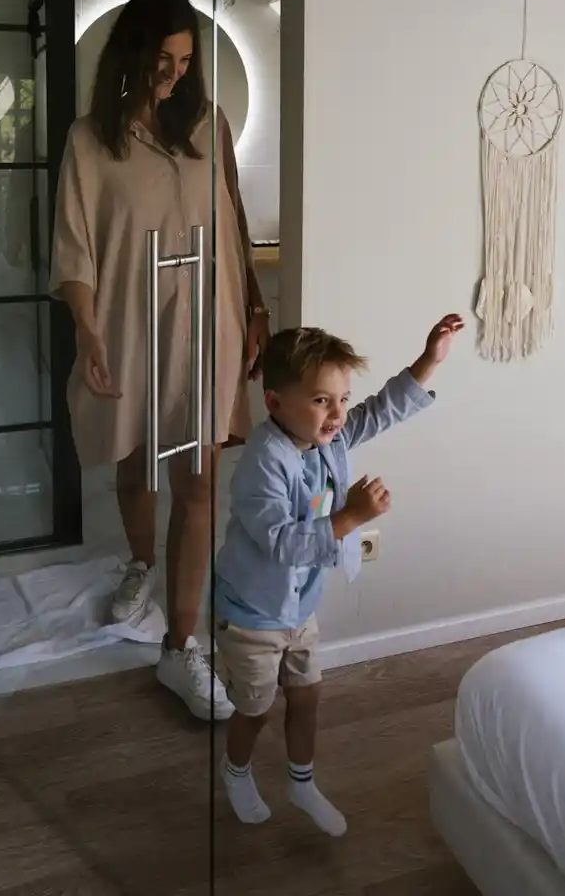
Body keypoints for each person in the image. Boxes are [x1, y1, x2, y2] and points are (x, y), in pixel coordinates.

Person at [49, 0, 272, 720]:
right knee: (136, 458)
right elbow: (76, 247)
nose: (173, 75)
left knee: (198, 481)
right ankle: (141, 563)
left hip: (207, 322)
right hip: (129, 324)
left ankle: (181, 646)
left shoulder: (211, 125)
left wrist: (255, 311)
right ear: (131, 54)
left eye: (184, 61)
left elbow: (234, 223)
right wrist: (87, 330)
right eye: (161, 60)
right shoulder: (91, 140)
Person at [210, 313, 466, 834]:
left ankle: (301, 783)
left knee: (306, 696)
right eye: (322, 400)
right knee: (255, 709)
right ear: (275, 403)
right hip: (252, 614)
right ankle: (235, 771)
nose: (338, 414)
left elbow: (380, 411)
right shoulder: (263, 461)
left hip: (299, 607)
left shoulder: (328, 438)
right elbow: (282, 542)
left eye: (343, 399)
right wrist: (351, 516)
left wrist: (429, 361)